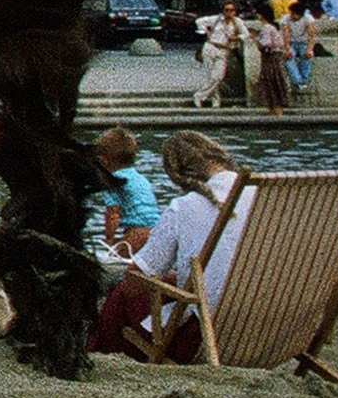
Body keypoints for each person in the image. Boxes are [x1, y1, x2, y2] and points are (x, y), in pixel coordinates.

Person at [89, 131, 252, 360]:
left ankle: (96, 353)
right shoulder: (260, 195)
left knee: (122, 295)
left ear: (178, 175)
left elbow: (135, 281)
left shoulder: (184, 206)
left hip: (207, 336)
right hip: (268, 326)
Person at [90, 127, 162, 260]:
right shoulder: (141, 179)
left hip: (137, 233)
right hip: (157, 231)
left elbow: (112, 214)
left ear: (104, 161)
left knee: (114, 259)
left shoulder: (113, 181)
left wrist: (109, 239)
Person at [195, 0, 250, 108]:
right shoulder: (216, 19)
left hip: (224, 49)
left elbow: (246, 34)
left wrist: (236, 37)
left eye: (232, 10)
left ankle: (200, 95)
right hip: (211, 46)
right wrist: (206, 31)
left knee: (219, 76)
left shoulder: (237, 22)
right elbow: (199, 21)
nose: (229, 12)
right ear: (223, 11)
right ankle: (215, 100)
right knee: (210, 75)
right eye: (227, 10)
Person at [254, 8, 296, 114]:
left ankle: (275, 108)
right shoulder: (272, 27)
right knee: (275, 81)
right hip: (275, 57)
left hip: (270, 58)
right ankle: (274, 109)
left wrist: (256, 38)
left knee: (271, 82)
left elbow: (266, 44)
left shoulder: (267, 28)